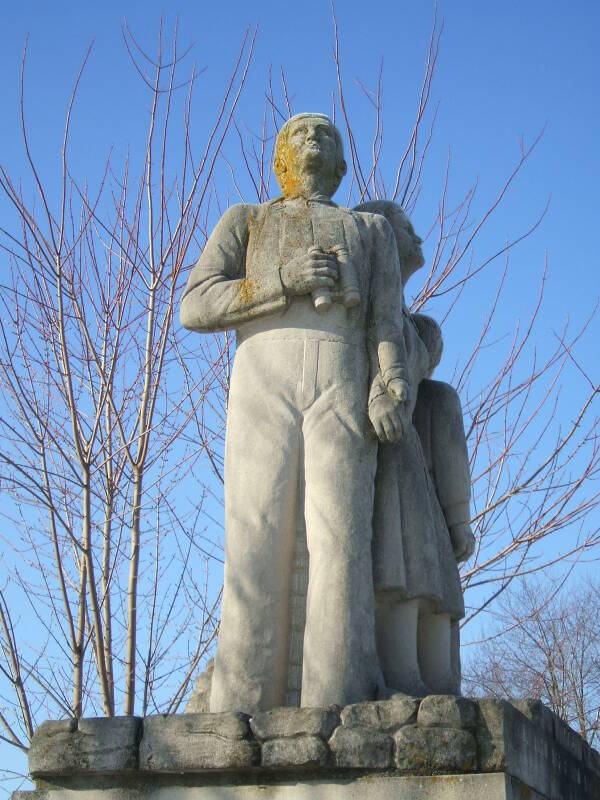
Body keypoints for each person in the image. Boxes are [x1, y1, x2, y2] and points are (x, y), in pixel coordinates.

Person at [180, 114, 409, 713]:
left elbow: (386, 319)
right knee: (257, 533)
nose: (315, 140)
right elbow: (195, 303)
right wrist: (282, 279)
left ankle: (337, 700)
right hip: (263, 377)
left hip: (341, 376)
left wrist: (391, 384)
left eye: (327, 135)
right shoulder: (248, 220)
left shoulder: (369, 230)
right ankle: (239, 704)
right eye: (301, 133)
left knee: (340, 539)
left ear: (340, 164)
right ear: (280, 156)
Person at [354, 199, 475, 695]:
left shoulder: (406, 320)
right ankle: (402, 671)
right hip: (384, 448)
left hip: (412, 457)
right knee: (400, 559)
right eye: (405, 227)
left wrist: (459, 516)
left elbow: (419, 363)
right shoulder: (368, 303)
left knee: (429, 562)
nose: (417, 237)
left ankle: (435, 676)